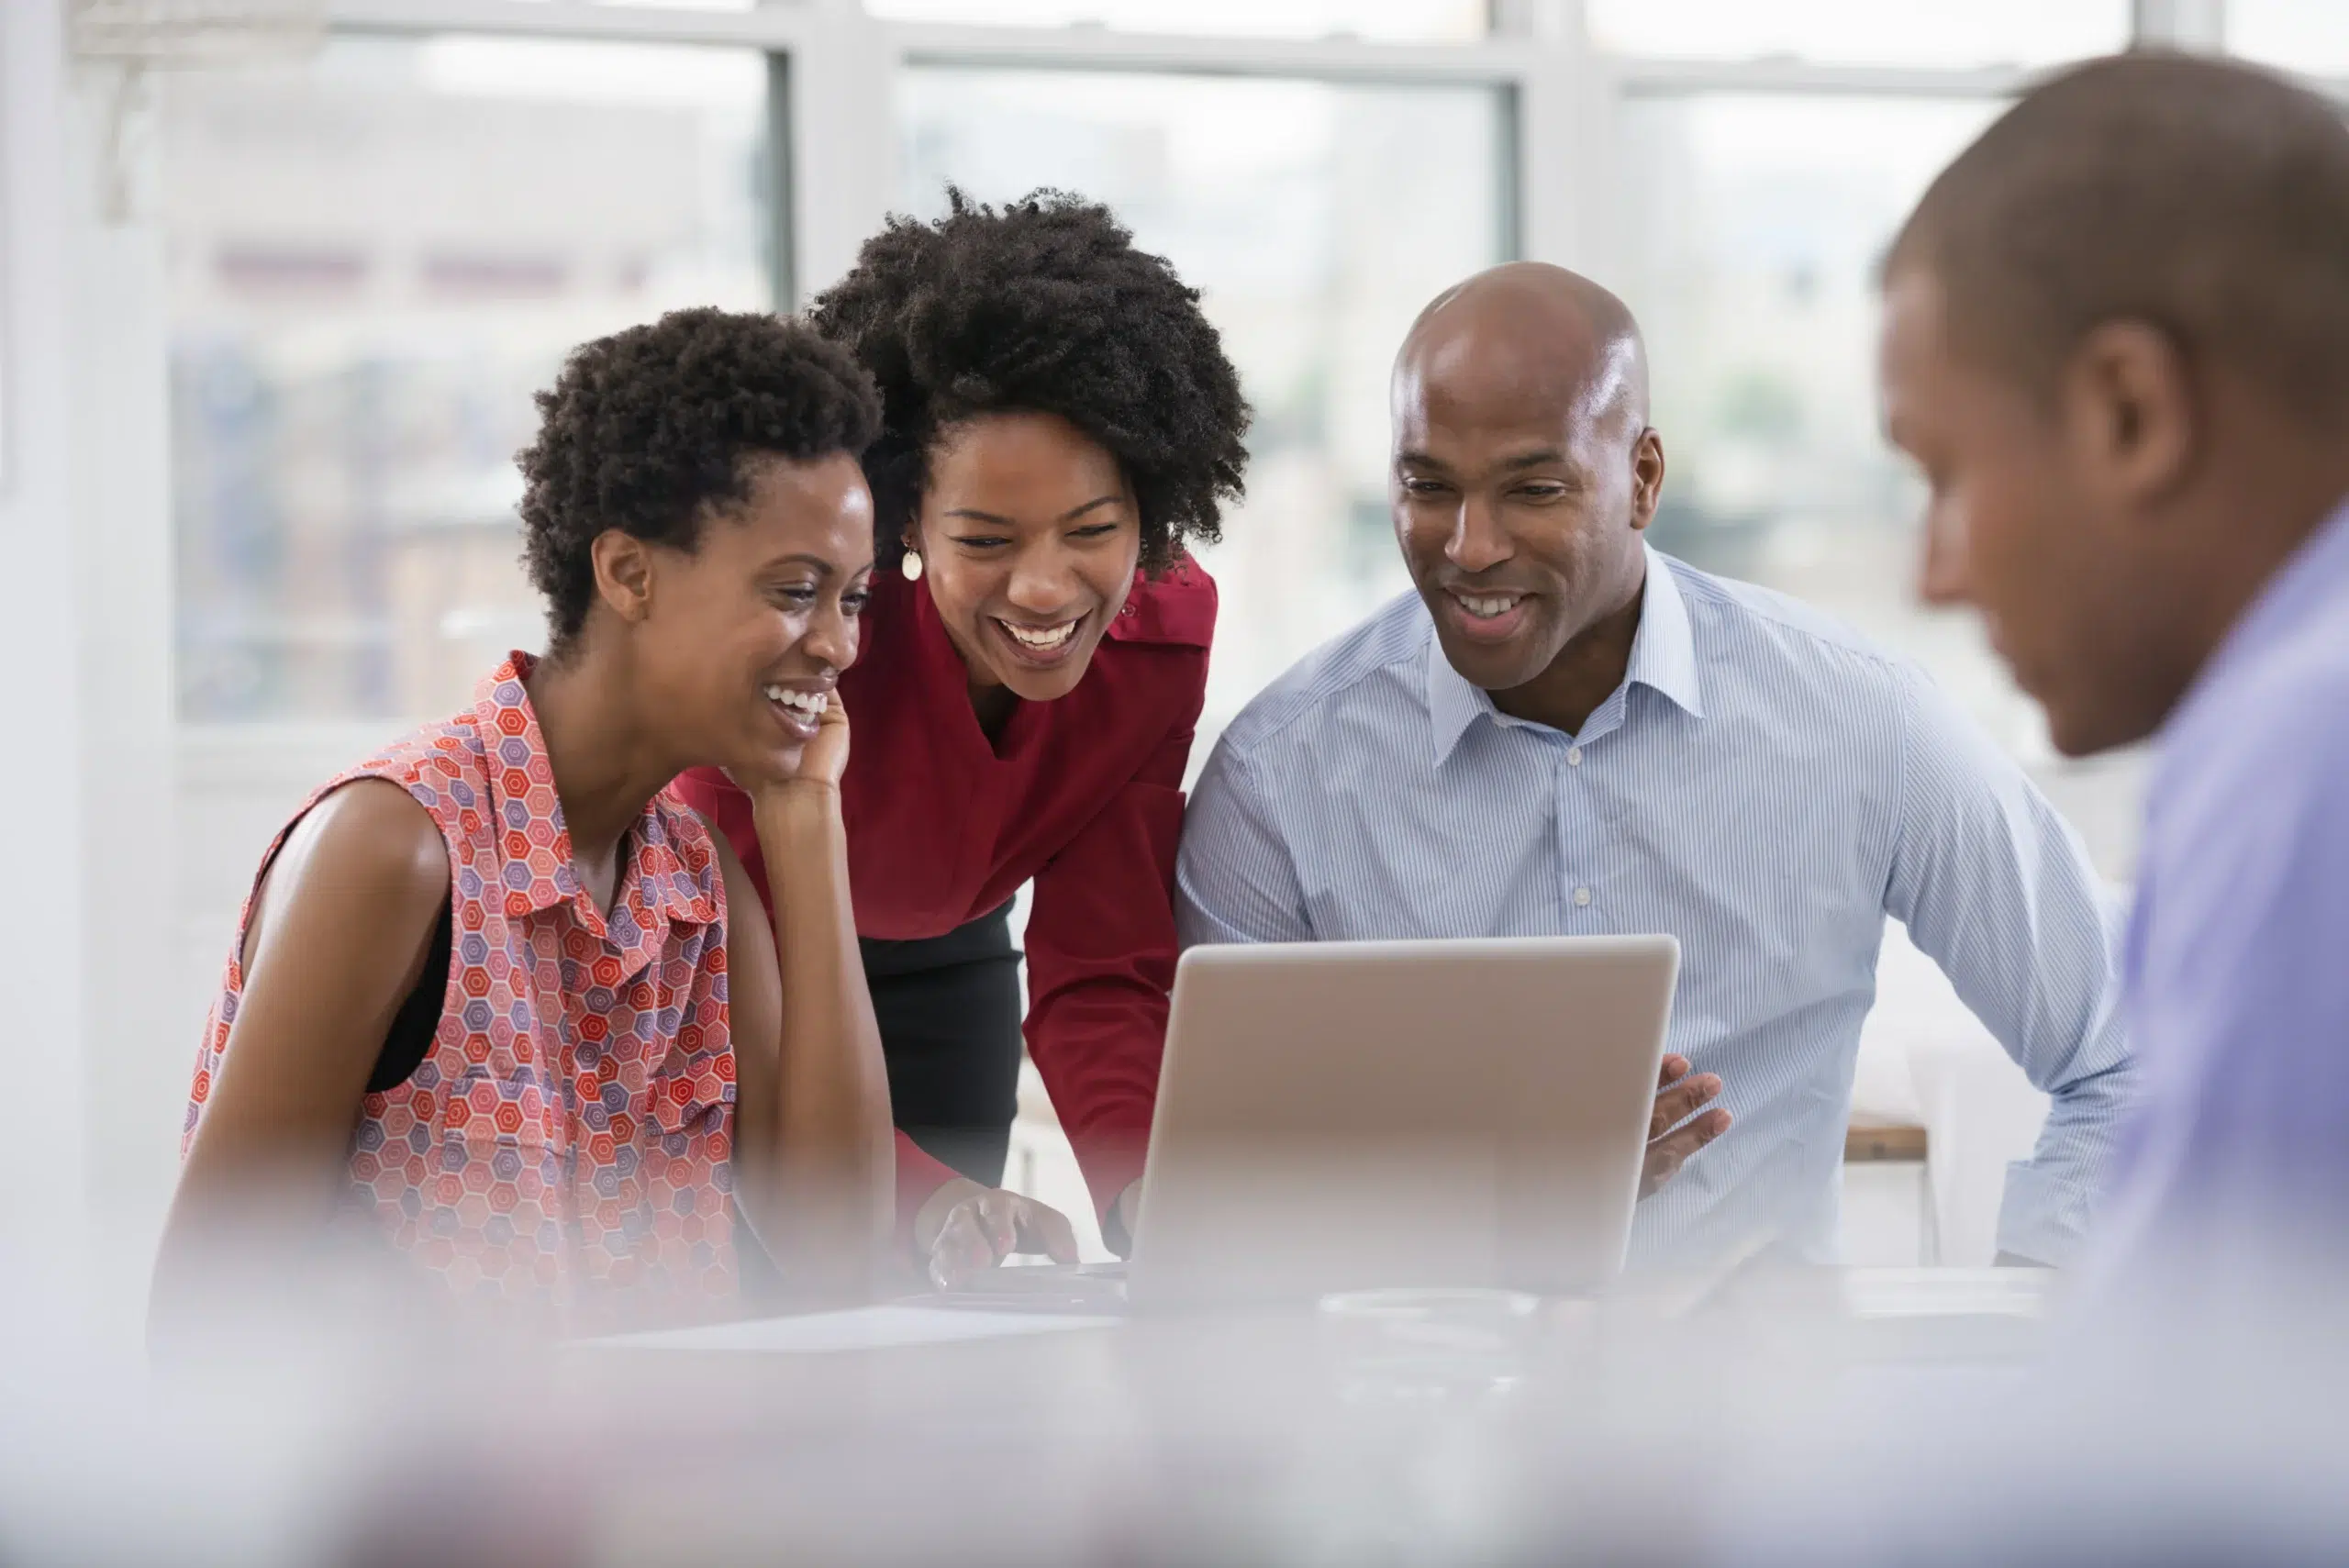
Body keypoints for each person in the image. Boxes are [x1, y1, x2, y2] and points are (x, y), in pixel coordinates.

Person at [1177, 262, 2135, 1270]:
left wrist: (2031, 1316)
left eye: (1532, 488)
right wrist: (1500, 1197)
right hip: (1414, 1413)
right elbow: (1228, 1216)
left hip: (1769, 1409)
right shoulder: (1279, 779)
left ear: (1641, 478)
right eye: (1427, 486)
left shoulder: (1860, 720)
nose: (1468, 544)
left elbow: (2133, 1058)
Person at [157, 308, 896, 1335]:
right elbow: (201, 1319)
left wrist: (806, 820)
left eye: (853, 599)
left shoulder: (698, 880)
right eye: (796, 591)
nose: (838, 645)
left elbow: (840, 1258)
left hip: (651, 1486)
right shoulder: (395, 846)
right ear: (628, 573)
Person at [672, 192, 1252, 1284]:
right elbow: (733, 1019)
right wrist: (922, 1199)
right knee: (778, 1305)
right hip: (732, 970)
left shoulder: (1160, 638)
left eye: (1094, 529)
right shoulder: (797, 638)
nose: (1045, 587)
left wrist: (1147, 1194)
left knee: (939, 1325)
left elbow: (1103, 962)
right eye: (983, 538)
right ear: (901, 522)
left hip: (947, 968)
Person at [1880, 52, 2349, 1292]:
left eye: (1947, 476)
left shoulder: (2307, 749)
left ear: (2129, 412)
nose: (1935, 574)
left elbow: (2217, 1424)